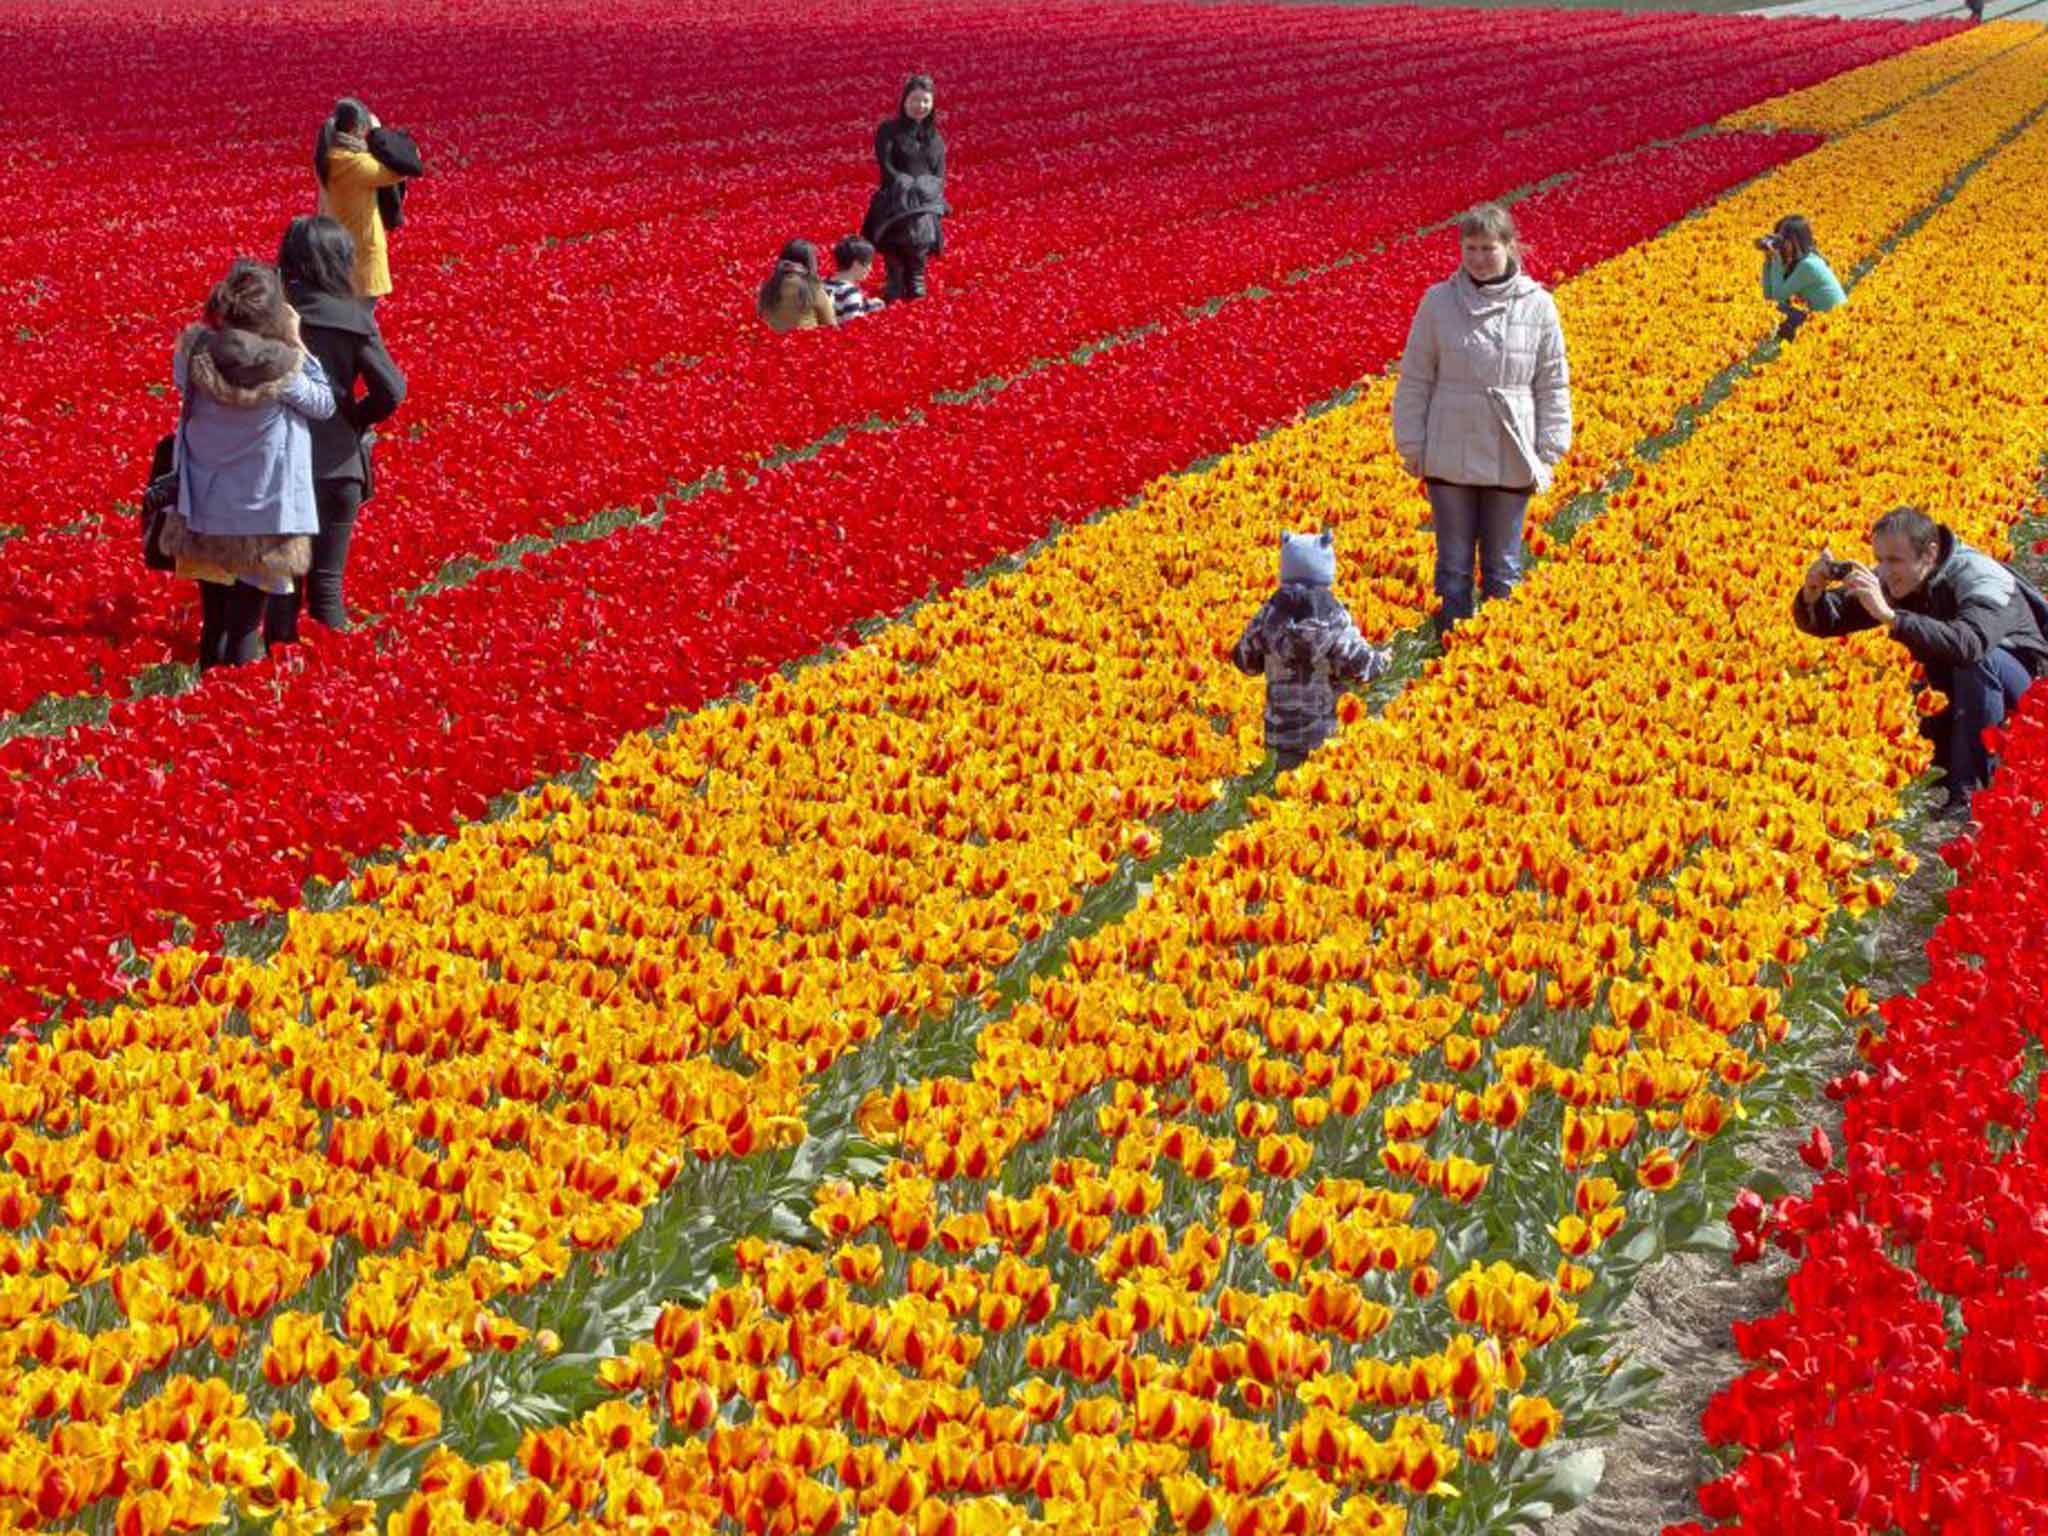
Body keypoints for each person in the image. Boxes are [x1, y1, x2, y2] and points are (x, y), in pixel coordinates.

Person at [1794, 506, 2048, 819]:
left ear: (1929, 553)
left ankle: (1971, 792)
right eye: (1879, 559)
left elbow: (1968, 645)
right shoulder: (1900, 577)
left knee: (1978, 662)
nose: (1883, 571)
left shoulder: (1980, 577)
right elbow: (1832, 620)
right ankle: (1944, 767)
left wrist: (1890, 617)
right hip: (1962, 687)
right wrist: (1812, 594)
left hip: (2025, 692)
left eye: (1894, 560)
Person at [1391, 203, 1573, 637]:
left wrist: (1549, 449)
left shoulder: (1539, 305)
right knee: (1452, 562)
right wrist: (1412, 445)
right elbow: (1415, 377)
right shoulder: (1438, 302)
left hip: (1511, 446)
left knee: (1504, 564)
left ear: (1509, 247)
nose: (1477, 257)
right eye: (1469, 247)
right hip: (1449, 445)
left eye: (1487, 247)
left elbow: (1553, 382)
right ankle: (1450, 651)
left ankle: (1492, 657)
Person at [164, 260, 333, 670]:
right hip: (263, 515)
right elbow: (324, 403)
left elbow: (181, 383)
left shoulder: (195, 355)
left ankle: (207, 702)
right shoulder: (285, 367)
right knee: (244, 624)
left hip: (205, 507)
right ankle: (228, 711)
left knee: (215, 621)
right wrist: (297, 339)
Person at [264, 216, 406, 642]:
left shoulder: (268, 315)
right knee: (327, 590)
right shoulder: (353, 317)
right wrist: (354, 418)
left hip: (280, 467)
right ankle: (332, 683)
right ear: (340, 260)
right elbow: (392, 390)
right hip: (337, 465)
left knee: (283, 589)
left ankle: (276, 688)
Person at [1231, 530, 1392, 772]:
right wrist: (1383, 660)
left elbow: (1244, 661)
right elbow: (1359, 665)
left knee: (1286, 793)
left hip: (1280, 732)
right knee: (1317, 795)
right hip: (1324, 733)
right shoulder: (1334, 616)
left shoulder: (1269, 615)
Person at [314, 98, 421, 303]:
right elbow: (399, 170)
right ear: (357, 127)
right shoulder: (352, 162)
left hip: (342, 242)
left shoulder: (334, 155)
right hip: (359, 248)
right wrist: (388, 139)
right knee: (362, 314)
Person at [862, 75, 947, 302]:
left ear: (932, 104)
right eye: (915, 100)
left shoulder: (935, 139)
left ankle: (916, 305)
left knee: (917, 271)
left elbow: (939, 175)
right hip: (894, 203)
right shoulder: (889, 131)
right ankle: (893, 301)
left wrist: (926, 194)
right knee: (895, 270)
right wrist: (907, 186)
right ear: (904, 101)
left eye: (925, 101)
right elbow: (886, 164)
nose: (920, 106)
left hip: (923, 209)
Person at [1758, 215, 1844, 342]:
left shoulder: (1808, 265)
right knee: (1774, 310)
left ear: (1796, 241)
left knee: (1778, 312)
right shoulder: (1805, 260)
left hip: (1833, 325)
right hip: (1826, 319)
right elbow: (1769, 296)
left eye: (1783, 240)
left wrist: (1776, 259)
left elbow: (1777, 297)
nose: (1781, 245)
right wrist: (1768, 261)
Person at [756, 240, 837, 332]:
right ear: (810, 265)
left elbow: (760, 318)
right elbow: (830, 327)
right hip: (804, 343)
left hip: (770, 343)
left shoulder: (766, 289)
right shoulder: (814, 292)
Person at [825, 236, 887, 323]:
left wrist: (868, 305)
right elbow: (854, 323)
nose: (870, 269)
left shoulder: (822, 284)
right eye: (868, 264)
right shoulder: (850, 291)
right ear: (856, 264)